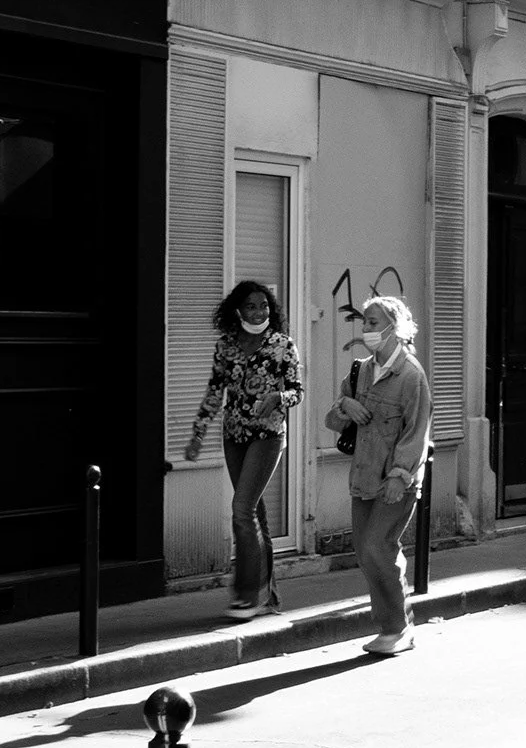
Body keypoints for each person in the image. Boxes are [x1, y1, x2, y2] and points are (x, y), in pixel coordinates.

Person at [186, 280, 303, 620]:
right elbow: (214, 391)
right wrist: (197, 435)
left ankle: (247, 596)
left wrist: (278, 398)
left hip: (267, 435)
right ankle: (267, 595)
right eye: (252, 306)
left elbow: (297, 390)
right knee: (254, 513)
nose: (259, 312)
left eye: (264, 306)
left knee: (241, 509)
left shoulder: (282, 345)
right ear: (238, 311)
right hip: (234, 435)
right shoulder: (226, 346)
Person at [325, 294, 434, 655]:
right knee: (367, 551)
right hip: (364, 477)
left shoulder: (411, 376)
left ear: (396, 328)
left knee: (378, 547)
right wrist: (345, 406)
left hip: (396, 481)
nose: (366, 330)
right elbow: (332, 421)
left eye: (373, 323)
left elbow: (417, 432)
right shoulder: (360, 371)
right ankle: (393, 625)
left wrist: (401, 475)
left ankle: (397, 628)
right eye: (365, 323)